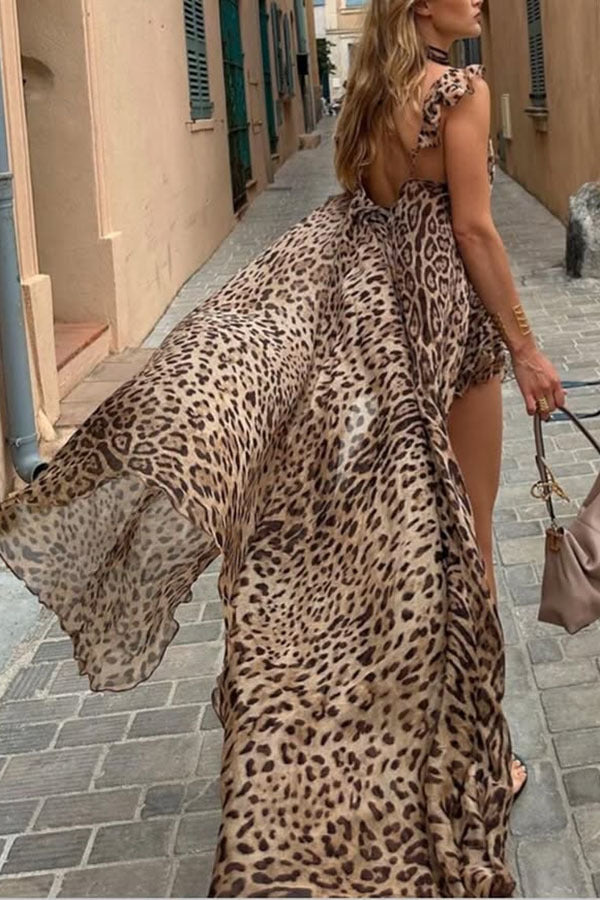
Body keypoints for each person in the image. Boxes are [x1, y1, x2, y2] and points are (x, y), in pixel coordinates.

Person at [0, 0, 564, 896]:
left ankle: (382, 737)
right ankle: (478, 763)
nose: (482, 1)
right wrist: (526, 347)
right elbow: (474, 229)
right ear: (422, 5)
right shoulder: (462, 90)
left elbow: (366, 209)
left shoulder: (373, 90)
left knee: (395, 544)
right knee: (471, 552)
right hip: (449, 331)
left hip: (373, 328)